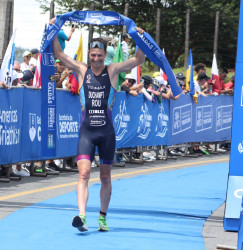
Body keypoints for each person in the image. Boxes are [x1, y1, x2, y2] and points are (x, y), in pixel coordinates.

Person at [51, 17, 146, 232]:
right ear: (89, 55)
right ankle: (82, 216)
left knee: (104, 175)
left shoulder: (112, 71)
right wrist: (53, 29)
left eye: (99, 55)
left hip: (106, 132)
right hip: (87, 131)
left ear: (105, 55)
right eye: (93, 55)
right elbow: (59, 54)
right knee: (83, 174)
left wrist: (138, 36)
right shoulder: (82, 69)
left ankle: (102, 217)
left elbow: (139, 59)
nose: (96, 59)